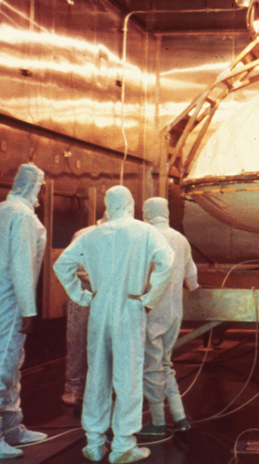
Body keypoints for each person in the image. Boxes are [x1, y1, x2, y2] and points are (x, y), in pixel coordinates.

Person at [53, 186, 173, 464]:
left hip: (99, 308)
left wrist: (81, 296)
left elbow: (61, 265)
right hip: (130, 306)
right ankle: (123, 445)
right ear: (131, 204)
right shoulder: (145, 232)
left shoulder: (90, 234)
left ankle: (94, 442)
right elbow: (167, 264)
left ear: (106, 206)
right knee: (128, 376)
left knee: (97, 374)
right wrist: (150, 299)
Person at [0, 163, 48, 459]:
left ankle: (12, 429)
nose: (42, 193)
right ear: (34, 186)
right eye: (41, 187)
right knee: (0, 366)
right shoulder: (23, 216)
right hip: (10, 302)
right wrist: (28, 310)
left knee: (11, 364)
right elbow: (22, 265)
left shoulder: (0, 210)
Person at [139, 198, 199, 436]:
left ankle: (158, 422)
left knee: (151, 367)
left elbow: (139, 275)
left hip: (152, 311)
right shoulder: (180, 238)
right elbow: (191, 271)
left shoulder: (146, 237)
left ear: (146, 212)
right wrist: (194, 286)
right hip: (174, 312)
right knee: (166, 364)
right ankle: (180, 417)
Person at [62, 213, 108, 408]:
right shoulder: (84, 234)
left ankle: (97, 387)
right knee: (78, 339)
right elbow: (75, 266)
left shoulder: (121, 237)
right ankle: (73, 386)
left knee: (104, 340)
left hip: (107, 294)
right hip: (84, 292)